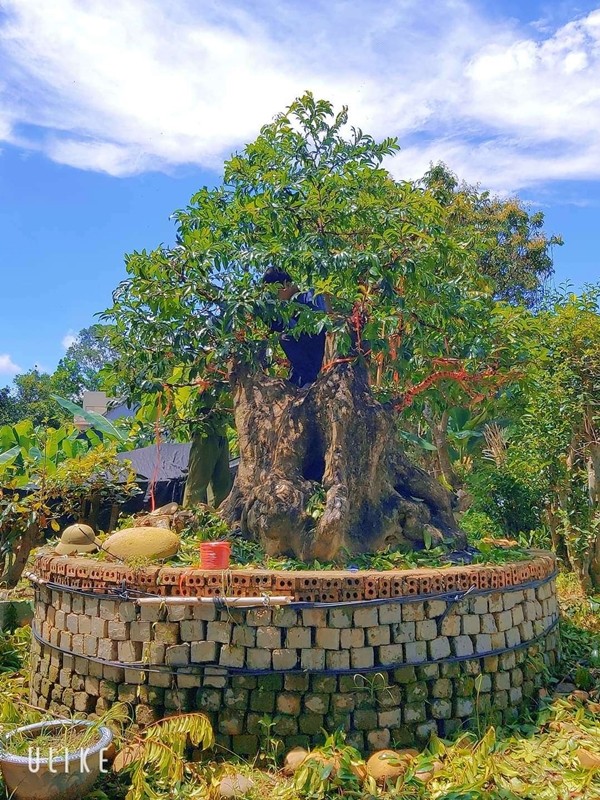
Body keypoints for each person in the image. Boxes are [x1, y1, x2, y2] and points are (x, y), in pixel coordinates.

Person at [262, 267, 330, 387]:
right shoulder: (287, 307)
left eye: (276, 292)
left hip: (320, 345)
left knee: (285, 338)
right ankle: (303, 380)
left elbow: (324, 321)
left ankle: (311, 379)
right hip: (307, 353)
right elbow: (282, 326)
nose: (277, 297)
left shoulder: (311, 294)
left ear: (286, 285)